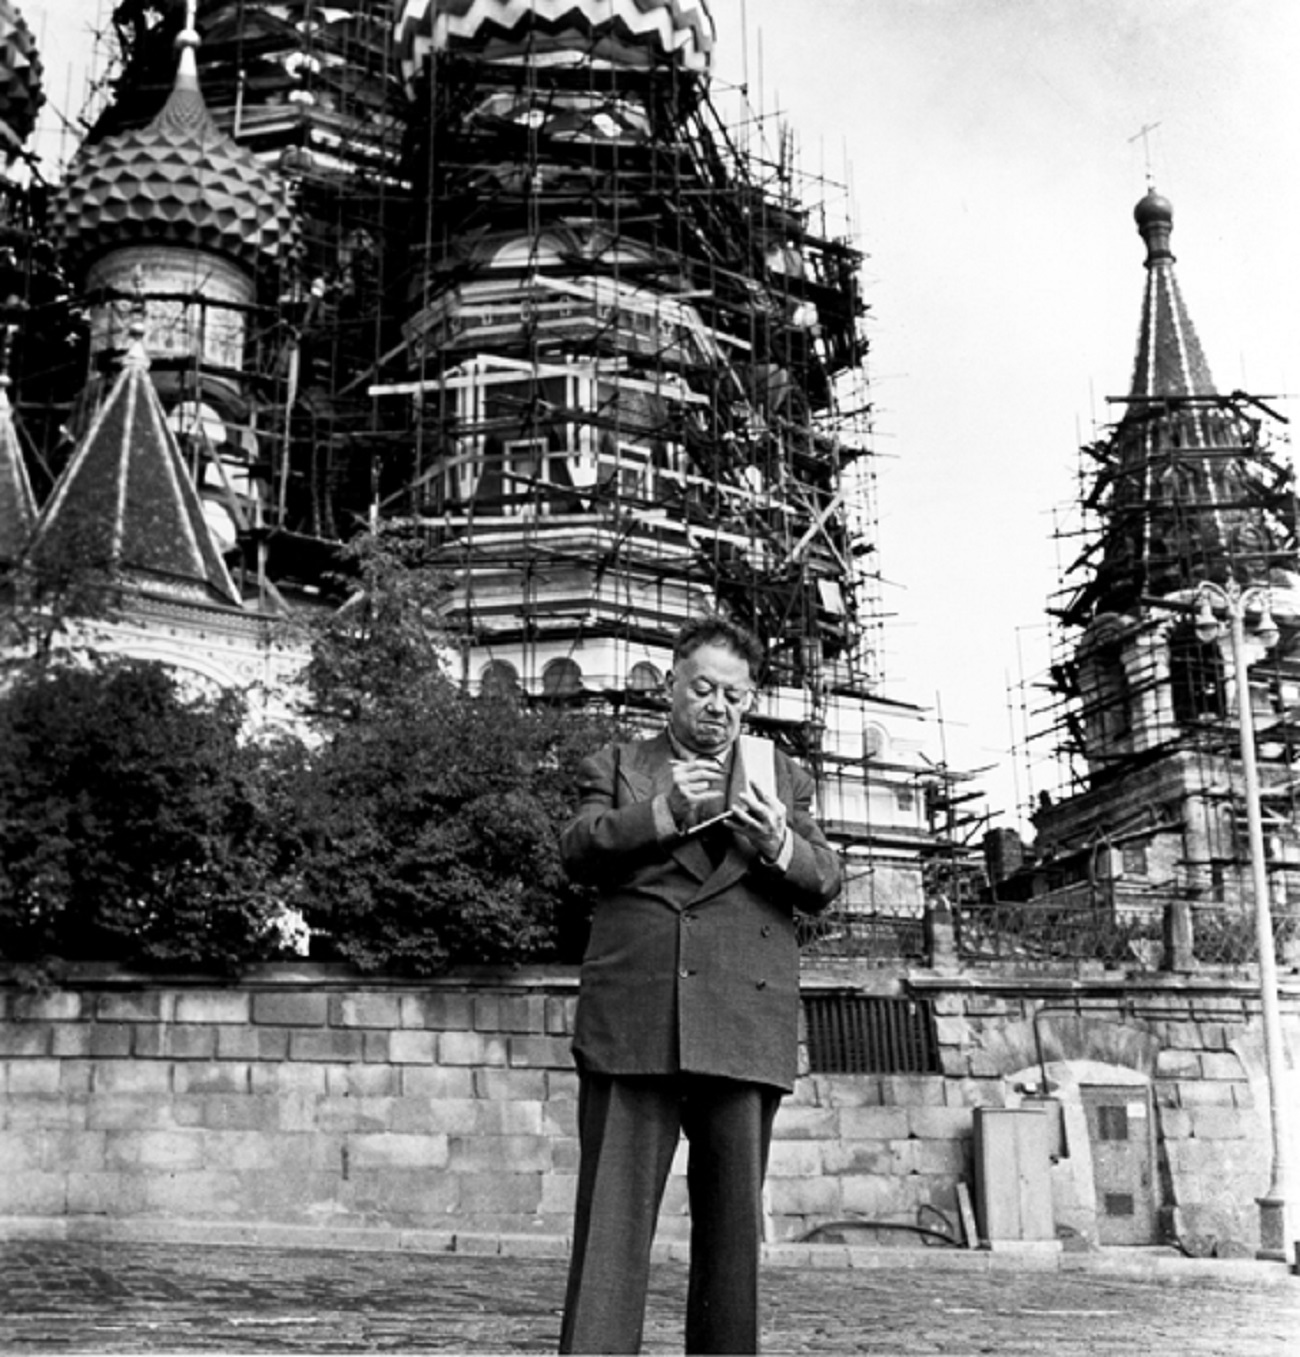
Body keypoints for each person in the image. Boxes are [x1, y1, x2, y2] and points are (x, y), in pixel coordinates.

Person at [558, 613, 842, 1355]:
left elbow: (825, 879)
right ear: (671, 688)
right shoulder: (618, 763)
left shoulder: (783, 776)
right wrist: (660, 812)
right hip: (636, 1017)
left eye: (735, 696)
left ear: (750, 703)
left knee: (731, 1244)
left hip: (741, 1022)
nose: (718, 707)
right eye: (704, 689)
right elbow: (578, 850)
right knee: (609, 1238)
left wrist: (778, 840)